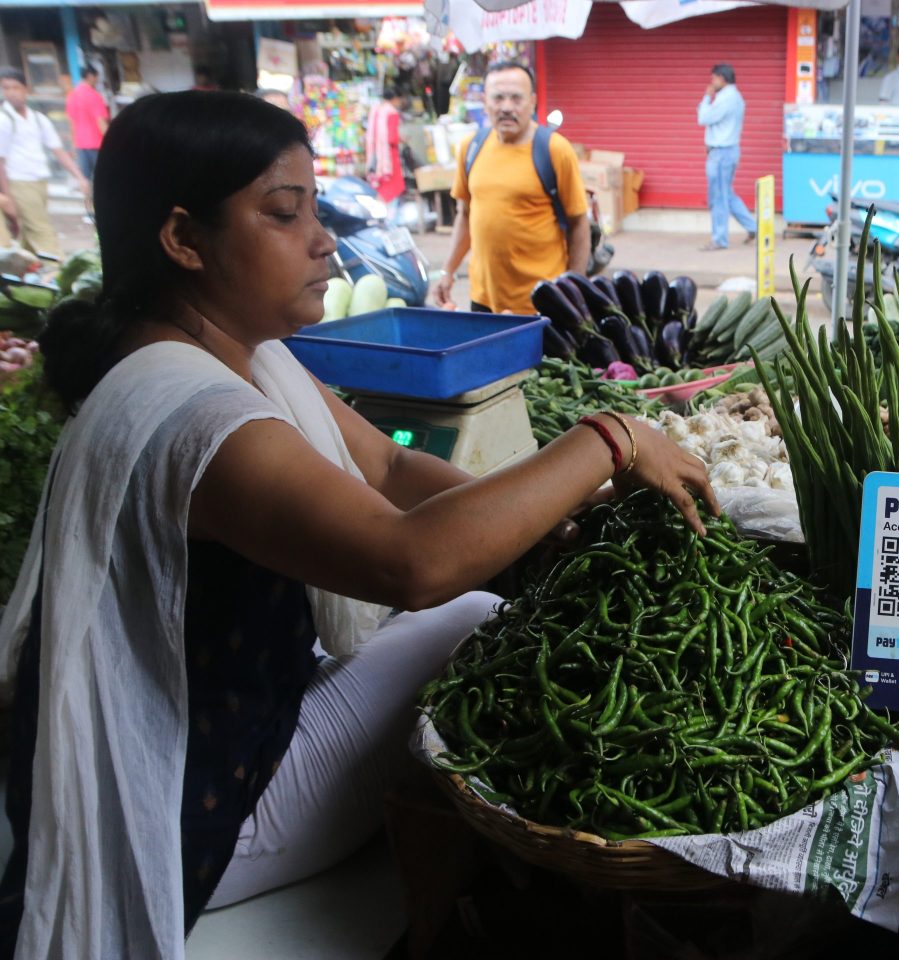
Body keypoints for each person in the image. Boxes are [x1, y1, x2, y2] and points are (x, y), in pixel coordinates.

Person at [0, 90, 716, 958]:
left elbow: (386, 467)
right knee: (479, 620)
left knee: (474, 611)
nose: (323, 240)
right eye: (282, 213)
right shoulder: (192, 418)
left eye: (315, 208)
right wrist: (607, 439)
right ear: (183, 239)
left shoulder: (233, 357)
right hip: (194, 813)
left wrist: (550, 518)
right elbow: (404, 562)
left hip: (218, 732)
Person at [434, 61, 589, 314]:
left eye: (517, 98)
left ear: (532, 102)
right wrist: (447, 271)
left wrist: (573, 288)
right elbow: (465, 215)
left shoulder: (554, 150)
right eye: (498, 98)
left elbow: (578, 223)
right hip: (484, 300)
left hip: (541, 301)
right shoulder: (471, 147)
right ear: (485, 101)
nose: (507, 107)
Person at [0, 67, 90, 255]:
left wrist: (79, 177)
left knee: (27, 230)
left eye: (15, 88)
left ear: (26, 89)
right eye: (6, 88)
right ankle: (58, 268)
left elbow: (58, 150)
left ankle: (23, 272)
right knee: (41, 230)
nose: (11, 93)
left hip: (39, 180)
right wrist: (7, 196)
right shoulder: (4, 119)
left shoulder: (38, 119)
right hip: (19, 182)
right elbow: (1, 161)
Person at [697, 63, 757, 252]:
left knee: (719, 197)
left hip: (721, 153)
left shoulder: (726, 98)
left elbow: (703, 118)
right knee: (727, 194)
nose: (711, 82)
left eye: (713, 78)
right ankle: (755, 228)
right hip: (726, 152)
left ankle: (720, 239)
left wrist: (707, 97)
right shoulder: (734, 97)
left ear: (722, 78)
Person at [64, 65, 108, 186]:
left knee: (85, 181)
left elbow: (71, 123)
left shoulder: (72, 96)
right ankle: (101, 204)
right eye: (96, 78)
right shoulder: (94, 96)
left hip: (80, 146)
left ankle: (88, 204)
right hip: (97, 146)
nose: (97, 82)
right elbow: (101, 123)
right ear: (90, 77)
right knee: (103, 180)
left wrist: (73, 146)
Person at [366, 87, 405, 217]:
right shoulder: (391, 112)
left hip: (375, 155)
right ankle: (390, 218)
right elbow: (392, 138)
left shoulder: (376, 110)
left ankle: (381, 216)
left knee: (381, 187)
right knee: (393, 187)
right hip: (388, 158)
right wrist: (402, 140)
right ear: (395, 99)